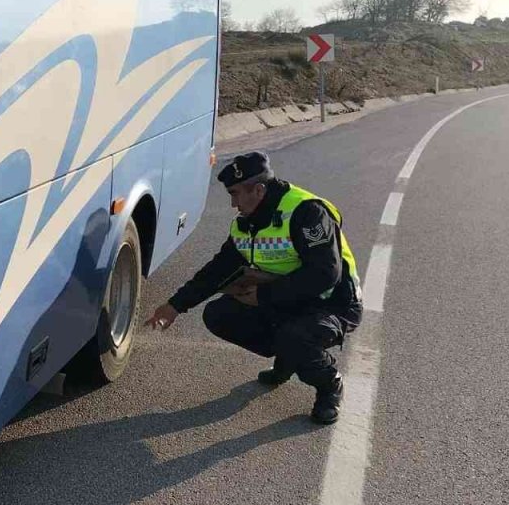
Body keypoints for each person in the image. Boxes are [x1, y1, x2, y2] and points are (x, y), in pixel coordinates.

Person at [144, 152, 362, 424]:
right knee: (218, 314)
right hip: (289, 298)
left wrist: (263, 296)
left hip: (333, 303)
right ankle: (289, 355)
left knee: (296, 337)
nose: (233, 204)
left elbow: (325, 274)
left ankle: (329, 383)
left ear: (258, 190)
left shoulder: (306, 212)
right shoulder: (247, 224)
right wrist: (174, 306)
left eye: (235, 194)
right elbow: (217, 270)